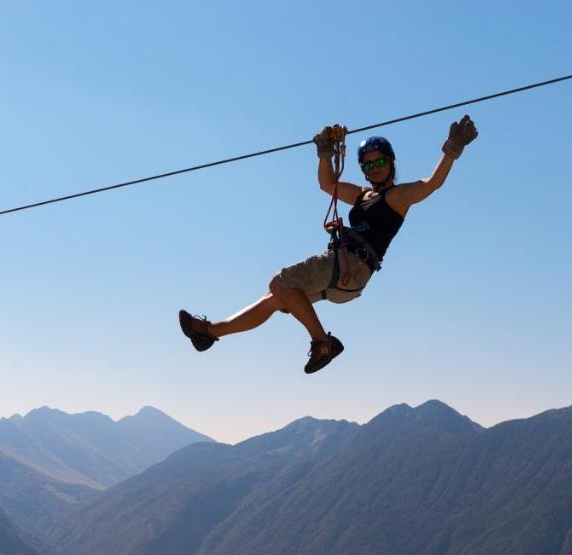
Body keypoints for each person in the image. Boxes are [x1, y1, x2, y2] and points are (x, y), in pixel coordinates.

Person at [179, 115, 478, 374]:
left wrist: (451, 151)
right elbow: (328, 186)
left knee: (279, 283)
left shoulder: (397, 197)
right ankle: (210, 332)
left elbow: (430, 184)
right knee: (276, 298)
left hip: (349, 263)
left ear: (391, 163)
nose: (375, 168)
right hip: (349, 280)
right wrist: (325, 154)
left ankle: (322, 343)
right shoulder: (362, 195)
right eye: (368, 164)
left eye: (381, 162)